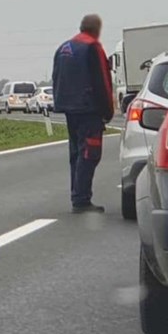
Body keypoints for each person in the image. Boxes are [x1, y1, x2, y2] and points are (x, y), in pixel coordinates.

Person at [52, 14, 115, 213]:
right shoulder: (92, 47)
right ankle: (81, 199)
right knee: (89, 154)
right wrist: (108, 111)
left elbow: (56, 78)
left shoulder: (63, 48)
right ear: (97, 30)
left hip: (70, 109)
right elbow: (103, 82)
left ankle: (77, 194)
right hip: (89, 110)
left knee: (77, 153)